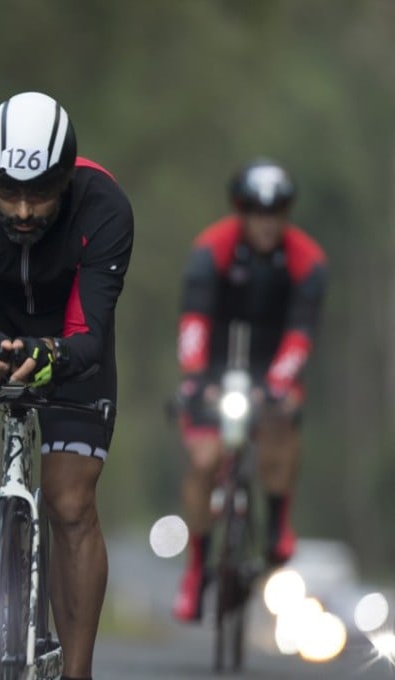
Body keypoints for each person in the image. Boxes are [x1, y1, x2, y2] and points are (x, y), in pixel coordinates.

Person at [0, 91, 133, 680]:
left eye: (39, 193)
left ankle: (78, 672)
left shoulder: (105, 206)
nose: (21, 209)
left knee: (71, 505)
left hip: (68, 337)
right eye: (7, 192)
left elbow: (89, 335)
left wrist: (50, 356)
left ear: (65, 181)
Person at [172, 158, 327, 623]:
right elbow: (193, 320)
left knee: (284, 418)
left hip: (272, 364)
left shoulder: (307, 260)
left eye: (276, 212)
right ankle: (197, 567)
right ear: (241, 212)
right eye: (257, 212)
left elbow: (302, 332)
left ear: (286, 214)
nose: (266, 222)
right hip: (215, 366)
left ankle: (277, 523)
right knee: (203, 460)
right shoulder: (210, 250)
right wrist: (196, 376)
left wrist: (279, 384)